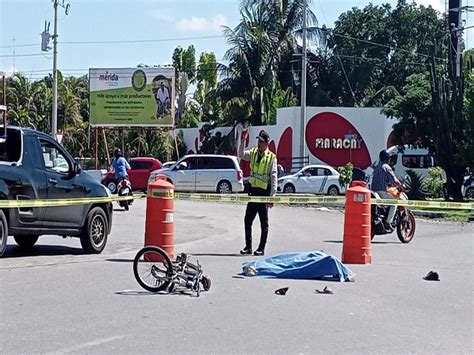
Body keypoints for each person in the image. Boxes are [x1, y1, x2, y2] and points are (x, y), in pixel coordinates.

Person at [238, 129, 277, 256]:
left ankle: (261, 248)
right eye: (258, 141)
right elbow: (241, 154)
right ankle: (248, 247)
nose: (258, 143)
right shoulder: (254, 153)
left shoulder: (271, 157)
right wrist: (243, 140)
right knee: (247, 220)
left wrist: (272, 196)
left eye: (261, 141)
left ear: (266, 143)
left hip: (263, 193)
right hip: (253, 191)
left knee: (263, 223)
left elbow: (273, 176)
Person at [371, 149, 404, 230]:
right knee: (394, 203)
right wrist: (401, 186)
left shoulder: (376, 166)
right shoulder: (386, 167)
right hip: (381, 191)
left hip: (373, 192)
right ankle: (388, 222)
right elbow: (395, 180)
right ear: (387, 158)